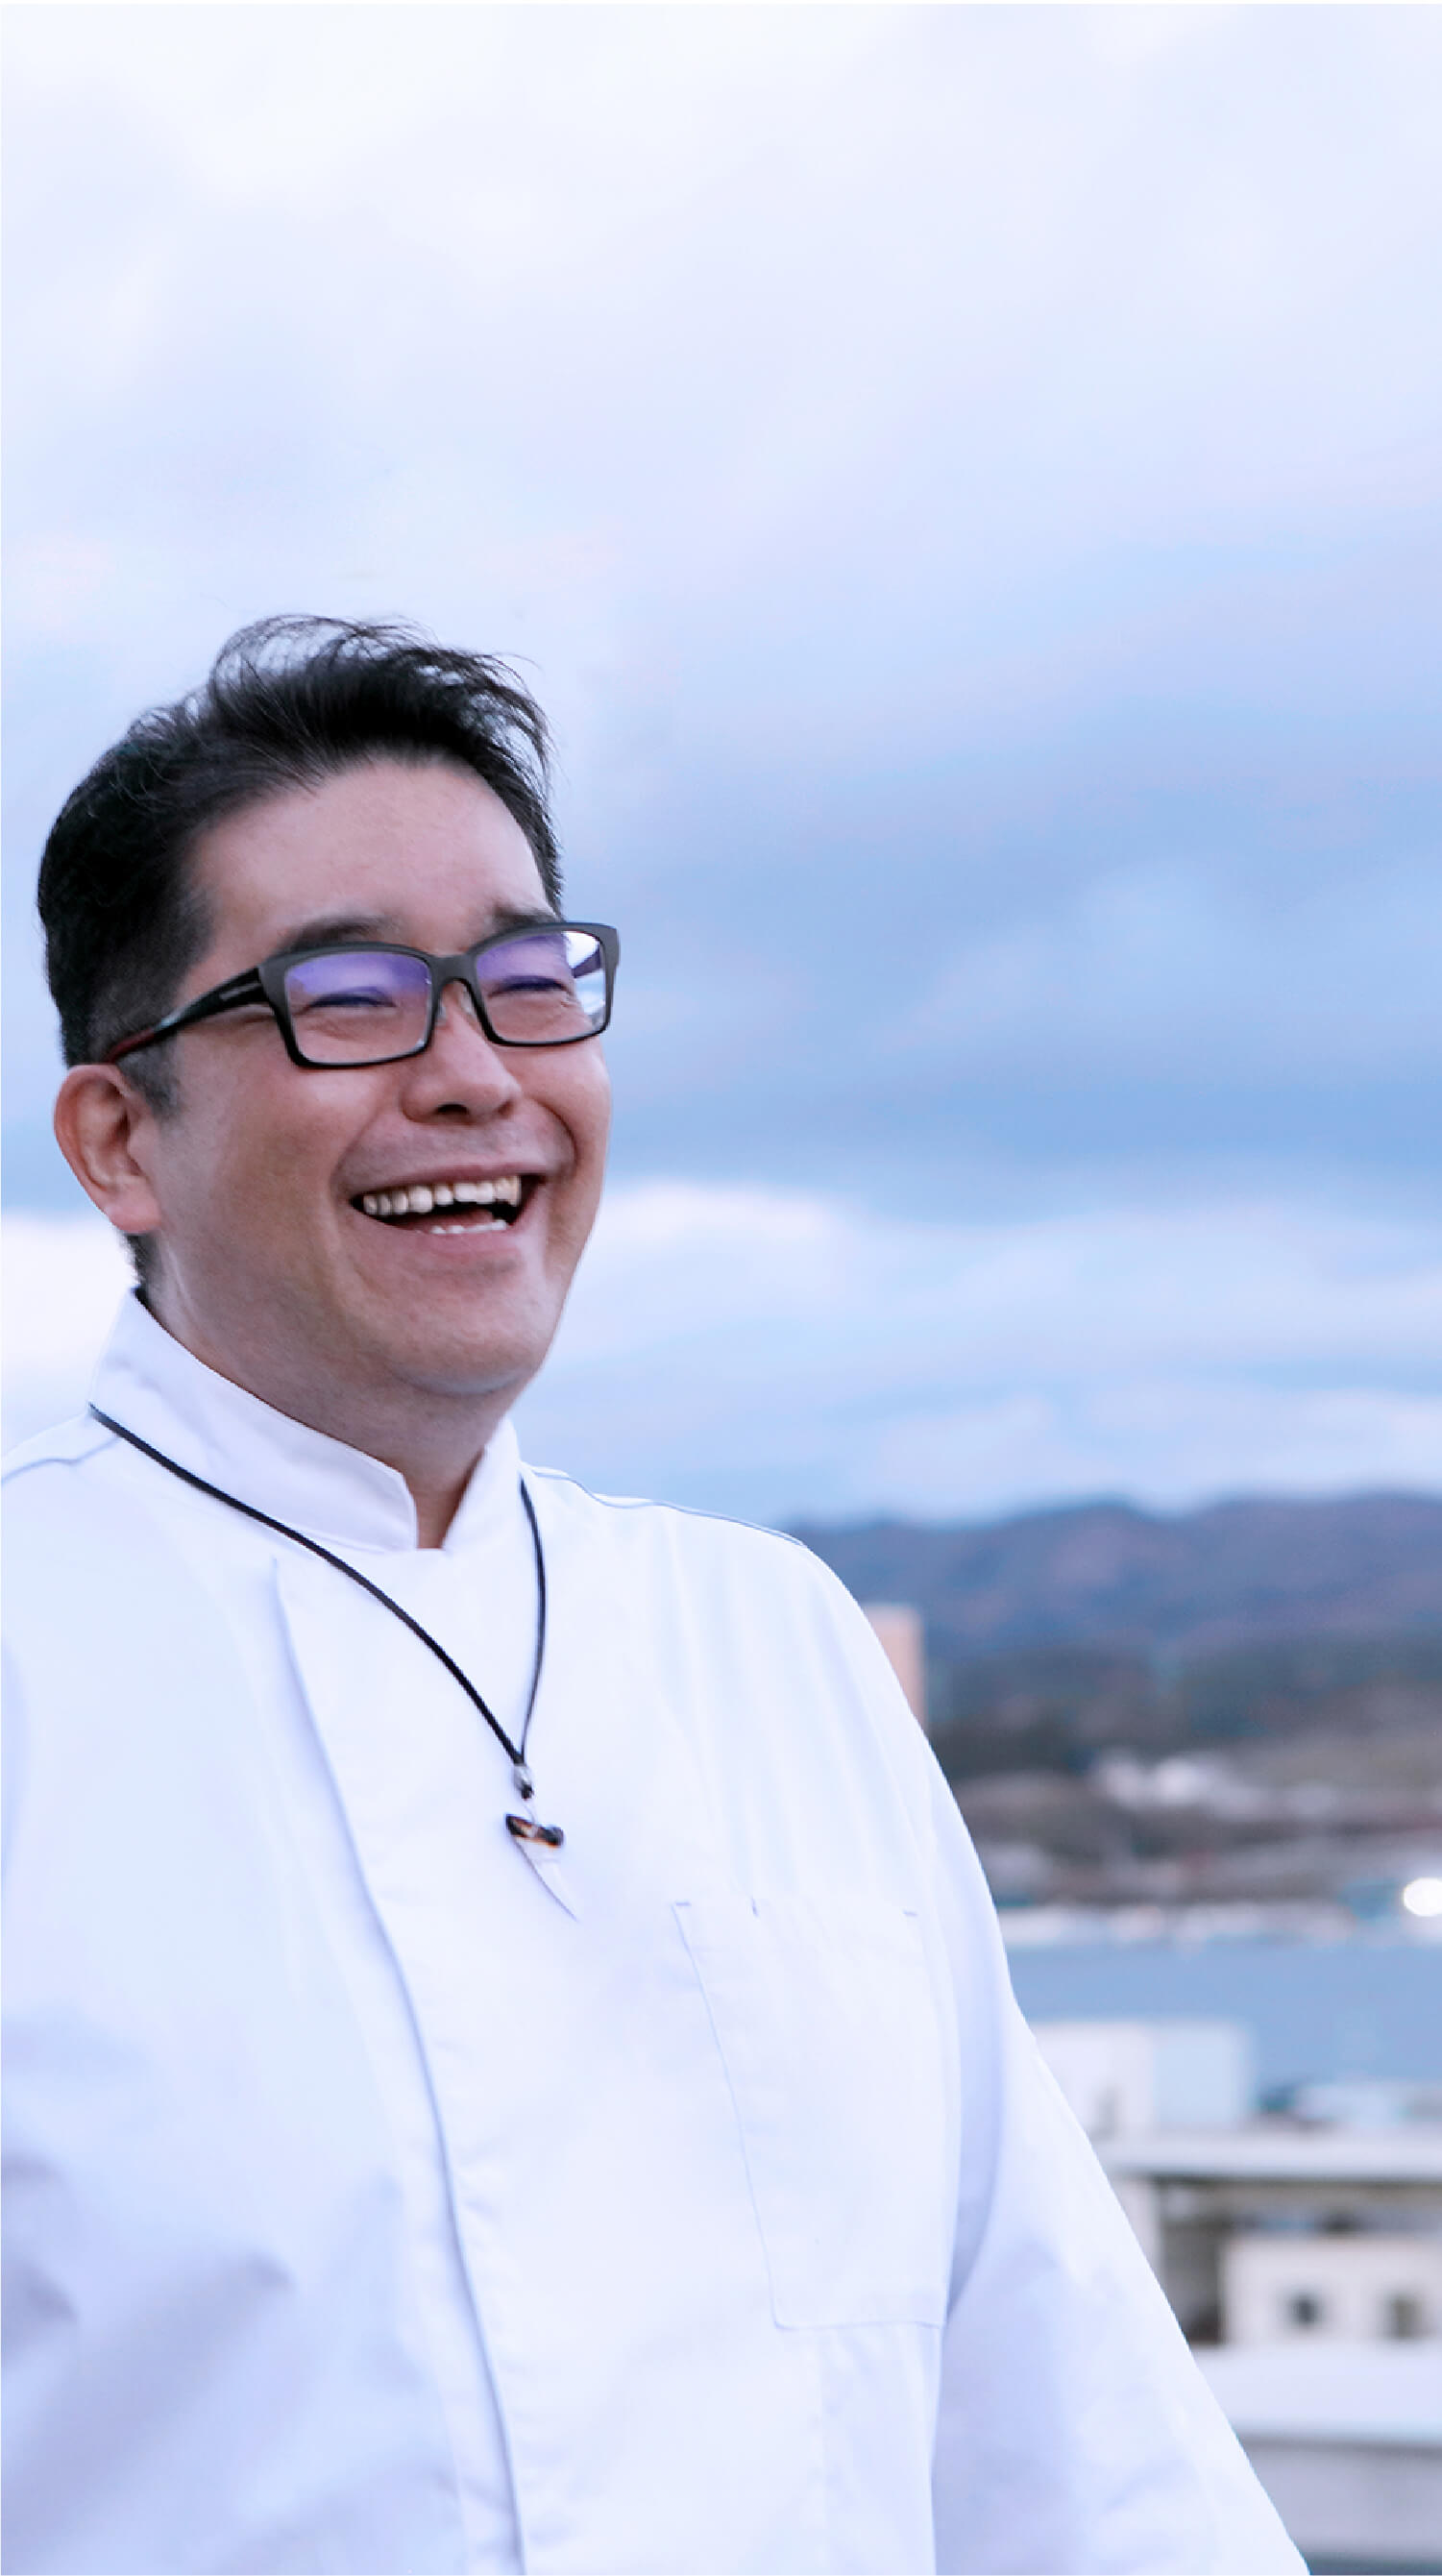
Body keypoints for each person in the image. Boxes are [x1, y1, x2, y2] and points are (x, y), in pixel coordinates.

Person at [3, 618, 1302, 2576]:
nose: (473, 1075)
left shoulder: (771, 1641)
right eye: (349, 997)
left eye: (527, 984)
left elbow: (1066, 2438)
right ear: (121, 1141)